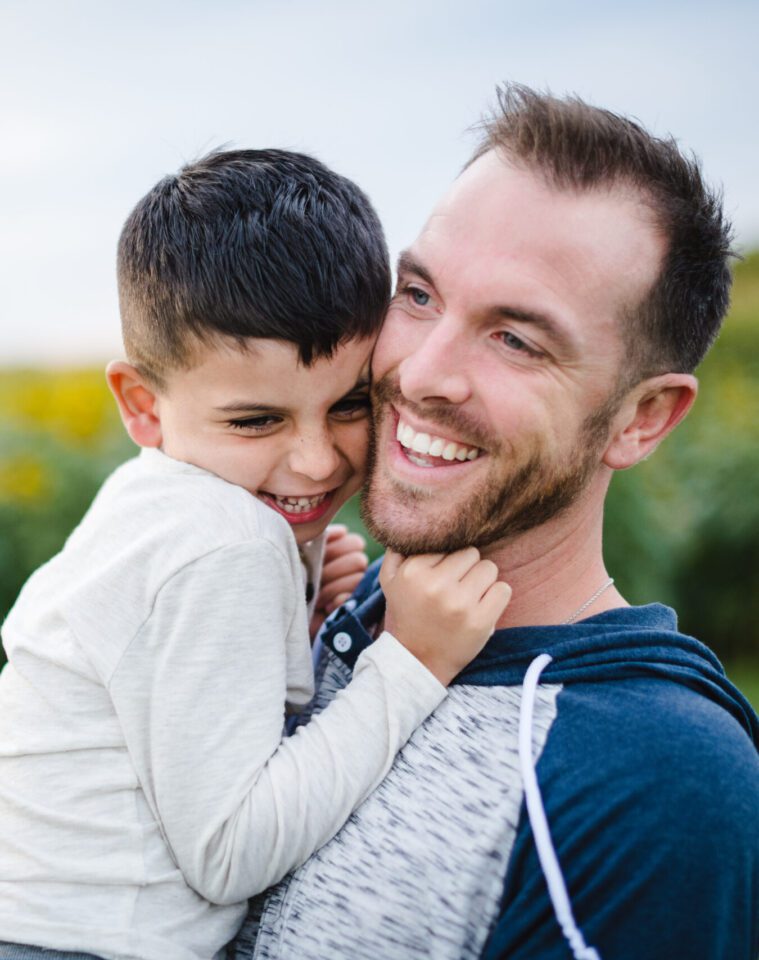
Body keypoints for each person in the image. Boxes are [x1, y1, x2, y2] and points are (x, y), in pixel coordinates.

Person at [234, 87, 759, 960]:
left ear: (642, 419)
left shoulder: (660, 786)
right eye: (418, 294)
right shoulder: (338, 613)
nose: (421, 372)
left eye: (516, 339)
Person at [0, 149, 511, 960]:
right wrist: (411, 665)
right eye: (254, 422)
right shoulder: (222, 544)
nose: (314, 462)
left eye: (348, 404)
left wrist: (290, 617)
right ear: (142, 405)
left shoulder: (166, 507)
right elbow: (231, 854)